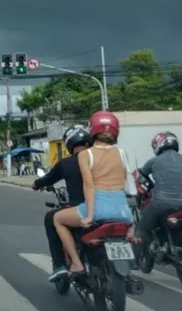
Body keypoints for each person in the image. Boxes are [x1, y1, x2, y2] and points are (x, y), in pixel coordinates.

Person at [53, 110, 134, 276]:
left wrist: (89, 215)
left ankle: (76, 263)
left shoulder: (86, 154)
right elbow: (130, 186)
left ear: (93, 130)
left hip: (98, 208)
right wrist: (132, 220)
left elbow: (89, 186)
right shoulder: (121, 153)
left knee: (57, 219)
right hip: (122, 211)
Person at [33, 125, 93, 281]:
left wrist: (36, 184)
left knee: (51, 218)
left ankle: (60, 265)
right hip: (108, 209)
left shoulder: (66, 163)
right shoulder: (99, 159)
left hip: (81, 210)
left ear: (69, 144)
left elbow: (47, 179)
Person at [134, 132, 182, 249]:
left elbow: (140, 176)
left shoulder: (154, 161)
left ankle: (136, 257)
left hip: (162, 204)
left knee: (142, 228)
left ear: (158, 145)